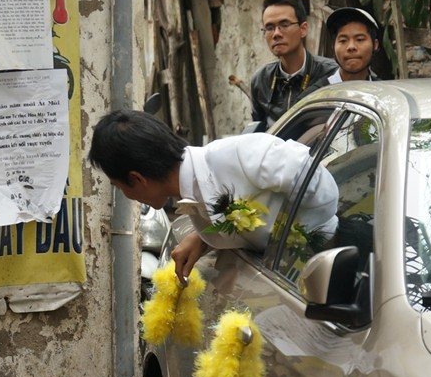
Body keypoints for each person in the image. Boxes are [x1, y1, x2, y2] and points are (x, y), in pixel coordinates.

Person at [89, 109, 338, 285]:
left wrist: (305, 237)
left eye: (120, 187)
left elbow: (321, 187)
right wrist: (205, 238)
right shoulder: (192, 198)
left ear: (137, 179)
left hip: (336, 260)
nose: (127, 196)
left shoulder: (237, 154)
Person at [250, 0, 336, 130]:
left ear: (303, 29)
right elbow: (257, 132)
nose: (276, 33)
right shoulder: (261, 79)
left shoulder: (331, 74)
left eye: (284, 24)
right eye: (269, 27)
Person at [300, 7, 380, 98]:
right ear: (333, 47)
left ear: (375, 44)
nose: (351, 47)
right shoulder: (314, 98)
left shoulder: (384, 94)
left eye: (360, 39)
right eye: (343, 40)